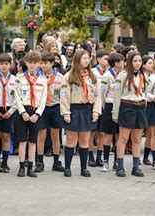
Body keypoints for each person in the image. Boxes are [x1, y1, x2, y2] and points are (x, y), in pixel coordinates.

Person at [60, 49, 101, 177]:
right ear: (77, 60)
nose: (86, 60)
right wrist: (66, 112)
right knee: (71, 139)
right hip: (74, 109)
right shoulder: (69, 76)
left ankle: (84, 168)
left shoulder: (92, 76)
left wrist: (96, 112)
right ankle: (67, 168)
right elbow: (64, 96)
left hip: (87, 109)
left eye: (88, 58)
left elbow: (97, 95)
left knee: (84, 139)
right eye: (84, 58)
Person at [112, 51, 147, 177]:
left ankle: (136, 167)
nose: (137, 64)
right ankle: (120, 166)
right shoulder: (122, 76)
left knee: (137, 139)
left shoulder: (144, 76)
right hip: (127, 106)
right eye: (135, 61)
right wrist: (115, 113)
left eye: (139, 61)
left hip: (141, 107)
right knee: (123, 138)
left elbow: (145, 93)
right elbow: (116, 96)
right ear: (130, 62)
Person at [15, 51, 47, 177]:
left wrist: (37, 114)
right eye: (30, 62)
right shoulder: (20, 78)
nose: (32, 65)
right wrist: (22, 111)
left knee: (33, 141)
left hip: (35, 112)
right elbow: (17, 97)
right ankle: (21, 166)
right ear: (26, 63)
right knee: (23, 140)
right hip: (23, 111)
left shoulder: (42, 80)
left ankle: (30, 167)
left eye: (35, 63)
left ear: (39, 64)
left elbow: (44, 99)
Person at [35, 52, 65, 173]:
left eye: (45, 63)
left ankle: (56, 161)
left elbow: (63, 95)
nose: (43, 65)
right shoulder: (37, 77)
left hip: (55, 107)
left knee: (55, 135)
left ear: (52, 63)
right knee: (41, 135)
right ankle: (39, 161)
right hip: (42, 108)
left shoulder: (60, 78)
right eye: (41, 63)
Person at [0, 53, 17, 173]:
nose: (4, 66)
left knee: (6, 136)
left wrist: (11, 111)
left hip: (9, 110)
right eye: (1, 64)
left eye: (6, 64)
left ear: (10, 65)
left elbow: (18, 98)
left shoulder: (15, 80)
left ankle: (5, 163)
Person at [99, 52, 125, 172]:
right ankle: (105, 161)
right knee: (108, 134)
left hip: (120, 106)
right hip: (109, 105)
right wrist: (106, 107)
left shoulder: (122, 75)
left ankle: (116, 160)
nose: (123, 63)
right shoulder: (106, 76)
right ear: (116, 63)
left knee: (119, 135)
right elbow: (103, 94)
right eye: (122, 61)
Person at [89, 50, 109, 167]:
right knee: (91, 132)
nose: (107, 61)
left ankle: (99, 157)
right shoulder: (92, 72)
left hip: (105, 106)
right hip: (94, 105)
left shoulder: (109, 73)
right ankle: (90, 156)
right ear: (98, 59)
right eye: (105, 59)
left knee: (102, 133)